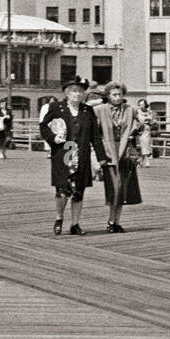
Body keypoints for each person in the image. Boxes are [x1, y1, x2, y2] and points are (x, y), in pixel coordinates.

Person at [40, 76, 109, 236]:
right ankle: (59, 217)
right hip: (63, 155)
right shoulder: (56, 107)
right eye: (73, 91)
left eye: (80, 91)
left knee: (79, 191)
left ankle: (75, 224)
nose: (77, 94)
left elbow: (95, 137)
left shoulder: (88, 111)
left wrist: (101, 158)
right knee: (62, 190)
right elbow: (44, 126)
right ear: (67, 93)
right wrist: (52, 138)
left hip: (82, 156)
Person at [97, 83, 142, 233]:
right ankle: (110, 220)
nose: (117, 97)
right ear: (108, 96)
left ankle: (116, 221)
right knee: (114, 187)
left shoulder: (129, 109)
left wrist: (139, 125)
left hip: (125, 151)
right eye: (114, 95)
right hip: (109, 151)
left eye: (120, 94)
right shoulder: (100, 110)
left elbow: (143, 122)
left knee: (123, 188)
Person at [136, 98, 154, 167]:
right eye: (140, 104)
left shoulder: (149, 112)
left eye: (142, 104)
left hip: (147, 129)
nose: (141, 106)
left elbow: (151, 120)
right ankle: (141, 161)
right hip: (139, 130)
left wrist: (149, 121)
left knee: (146, 144)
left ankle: (146, 161)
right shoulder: (137, 112)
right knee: (140, 146)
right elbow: (137, 120)